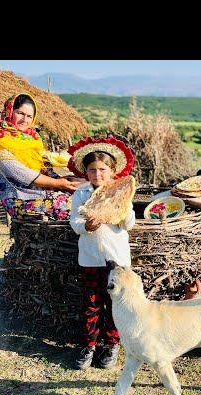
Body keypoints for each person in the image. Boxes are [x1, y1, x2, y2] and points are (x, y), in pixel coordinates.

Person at [68, 136, 136, 370]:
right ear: (86, 173)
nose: (98, 175)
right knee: (91, 303)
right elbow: (74, 222)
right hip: (90, 259)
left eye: (103, 170)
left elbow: (128, 224)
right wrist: (86, 227)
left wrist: (123, 207)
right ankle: (89, 345)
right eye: (92, 170)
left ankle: (112, 344)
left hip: (117, 260)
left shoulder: (121, 193)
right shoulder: (81, 194)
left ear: (113, 171)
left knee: (115, 302)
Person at [0, 93, 81, 221]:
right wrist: (58, 184)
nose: (25, 120)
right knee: (76, 205)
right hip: (19, 200)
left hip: (40, 194)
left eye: (29, 116)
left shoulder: (32, 139)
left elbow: (44, 167)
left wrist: (68, 180)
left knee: (82, 195)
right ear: (9, 111)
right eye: (20, 113)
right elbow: (23, 174)